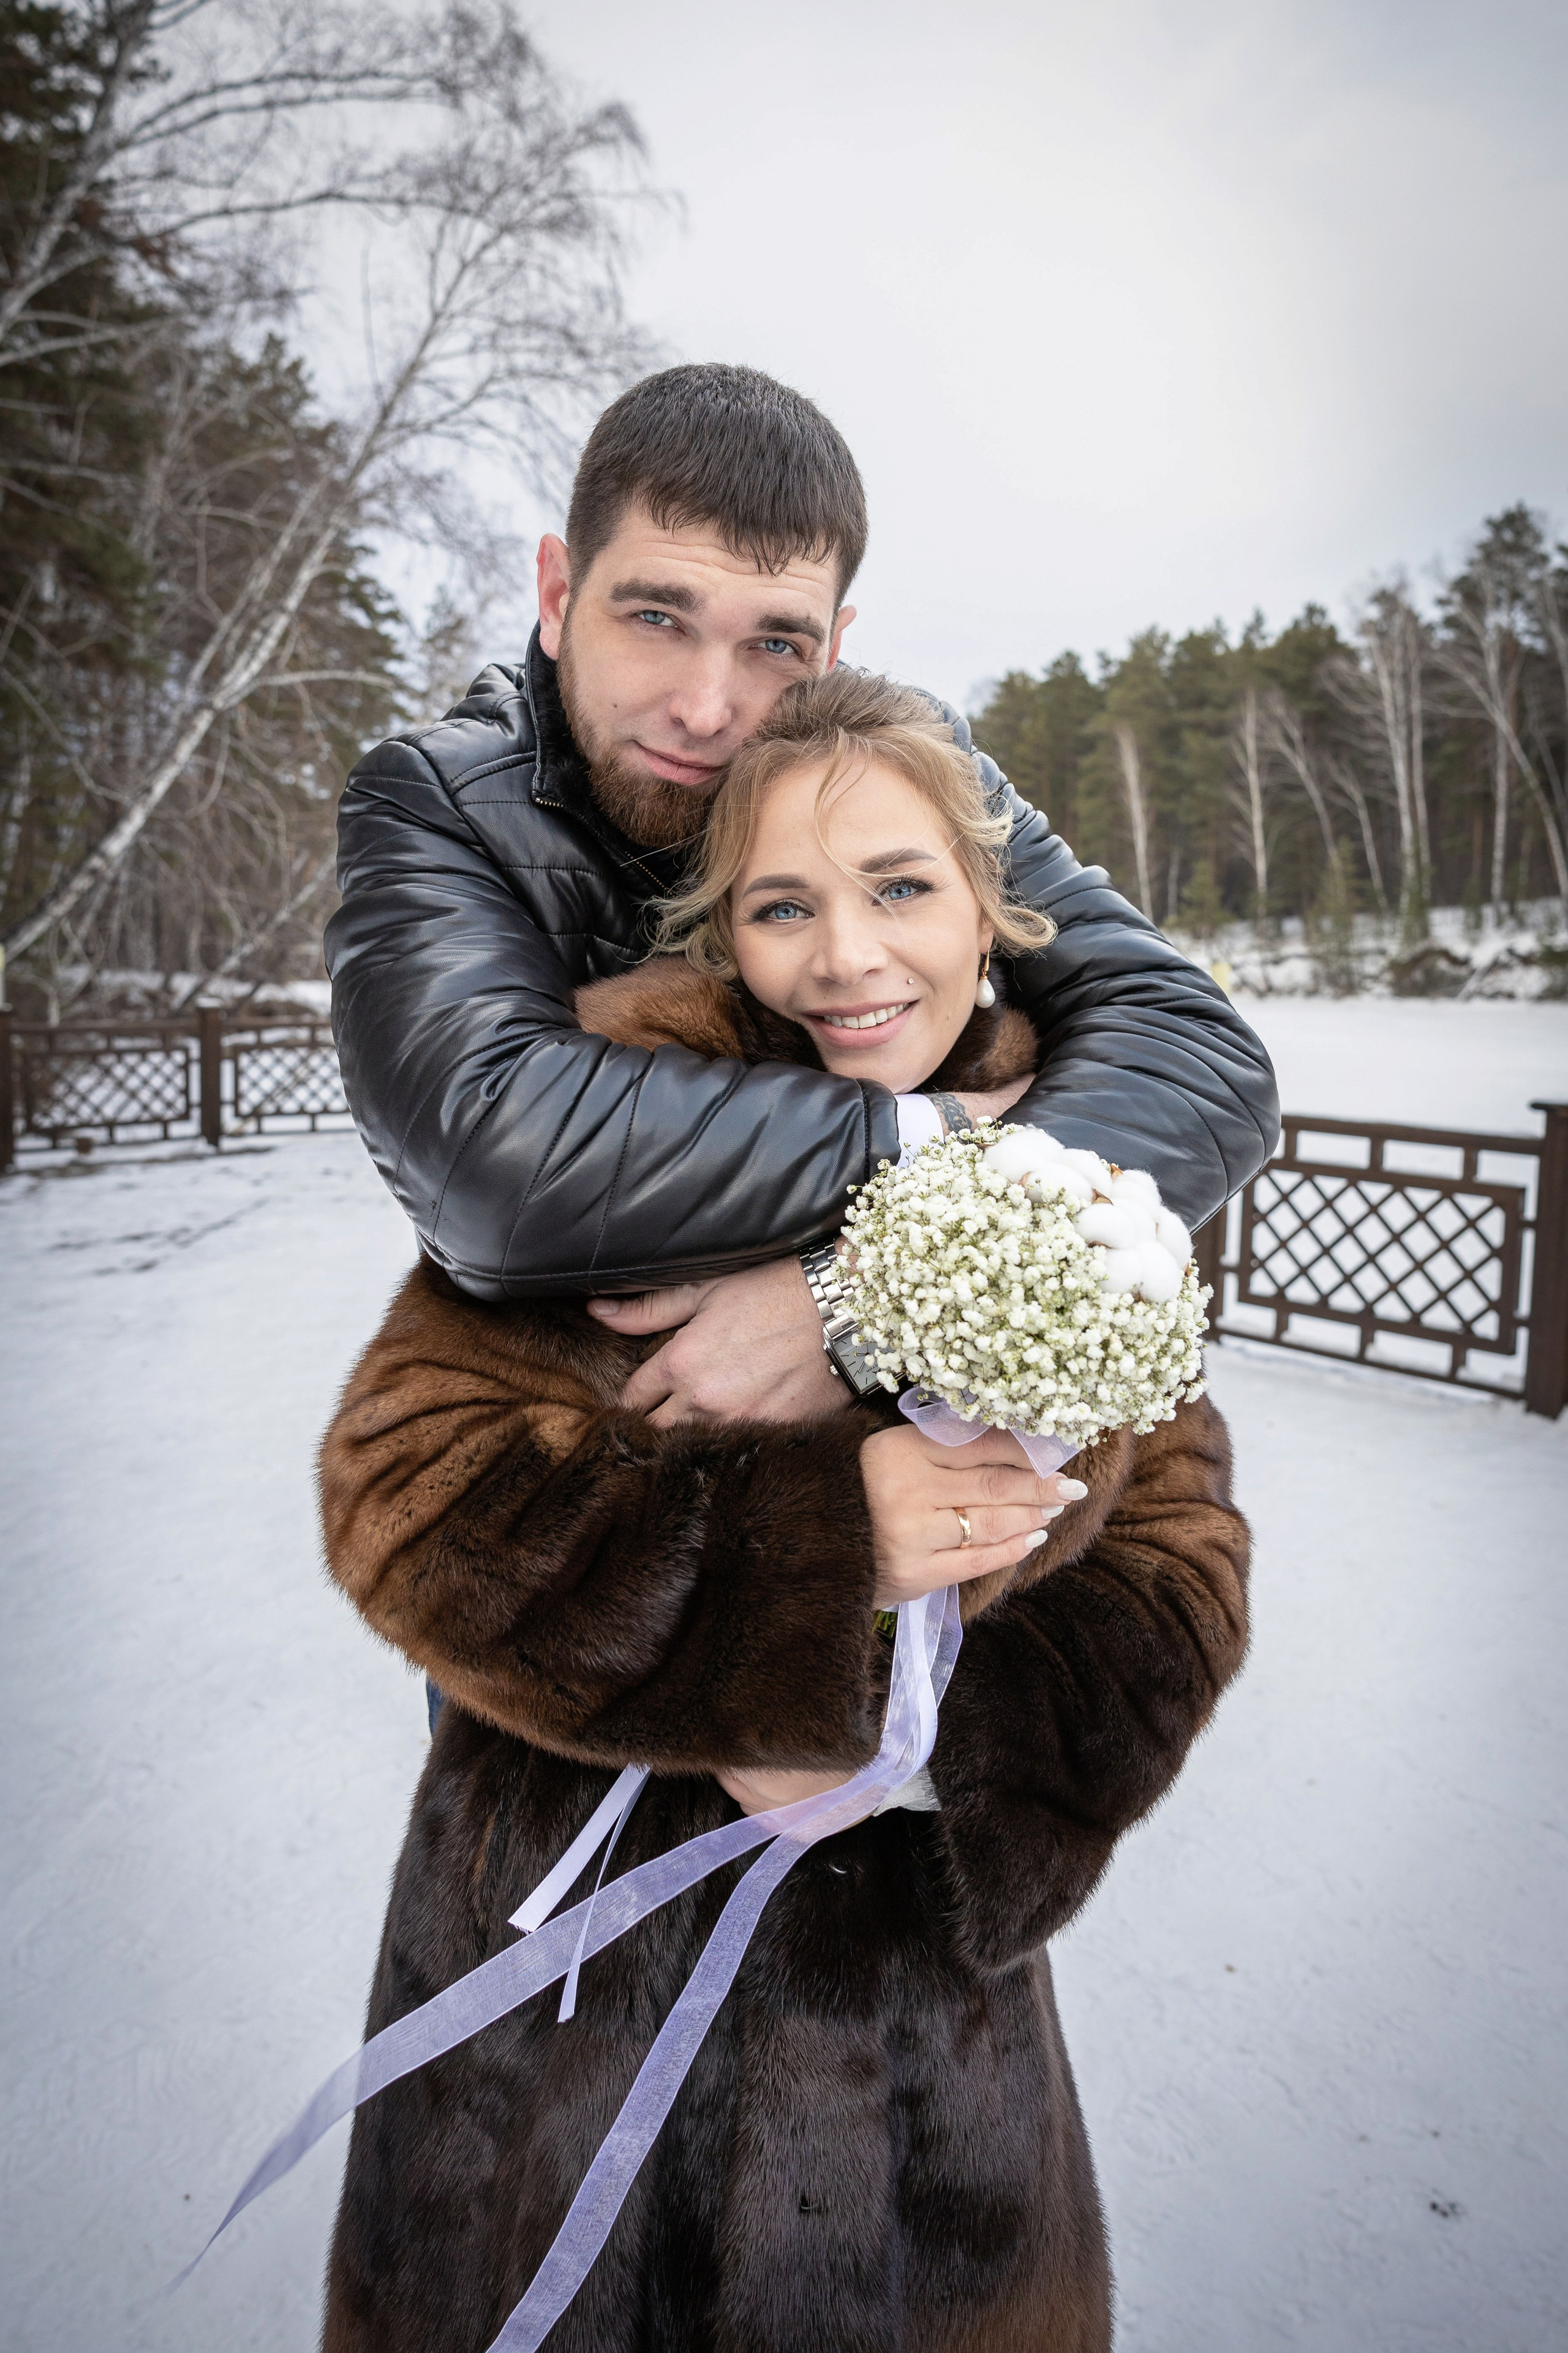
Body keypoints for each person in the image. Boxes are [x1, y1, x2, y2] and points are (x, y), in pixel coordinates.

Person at [317, 672, 1251, 2352]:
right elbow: (412, 1494)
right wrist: (813, 1552)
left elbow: (1178, 1578)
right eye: (781, 906)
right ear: (722, 931)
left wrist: (914, 1747)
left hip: (909, 2086)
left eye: (900, 887)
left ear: (991, 910)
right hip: (541, 2038)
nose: (847, 957)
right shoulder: (625, 1113)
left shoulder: (1083, 1170)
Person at [325, 363, 1278, 1435]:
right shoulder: (438, 800)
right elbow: (490, 1160)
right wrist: (938, 1132)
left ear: (834, 645)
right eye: (656, 616)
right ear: (558, 594)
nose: (707, 708)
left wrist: (866, 1294)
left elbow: (1202, 1059)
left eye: (776, 644)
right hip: (575, 1448)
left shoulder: (902, 771)